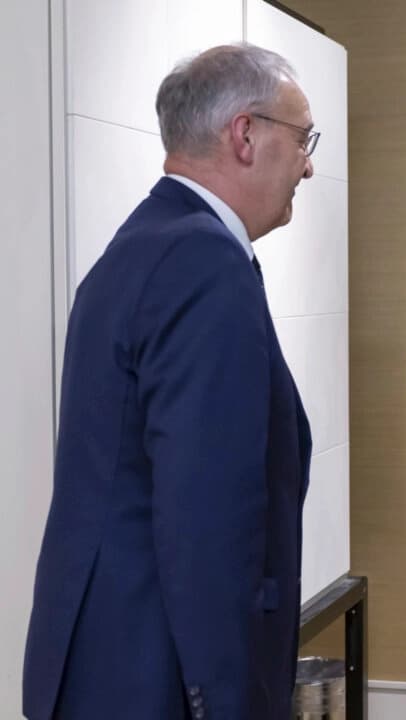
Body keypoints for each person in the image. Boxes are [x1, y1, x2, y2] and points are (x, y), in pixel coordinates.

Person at [23, 43, 318, 720]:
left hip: (107, 665)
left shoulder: (143, 243)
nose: (308, 164)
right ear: (245, 135)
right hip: (155, 677)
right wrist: (226, 701)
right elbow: (208, 519)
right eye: (303, 139)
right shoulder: (202, 259)